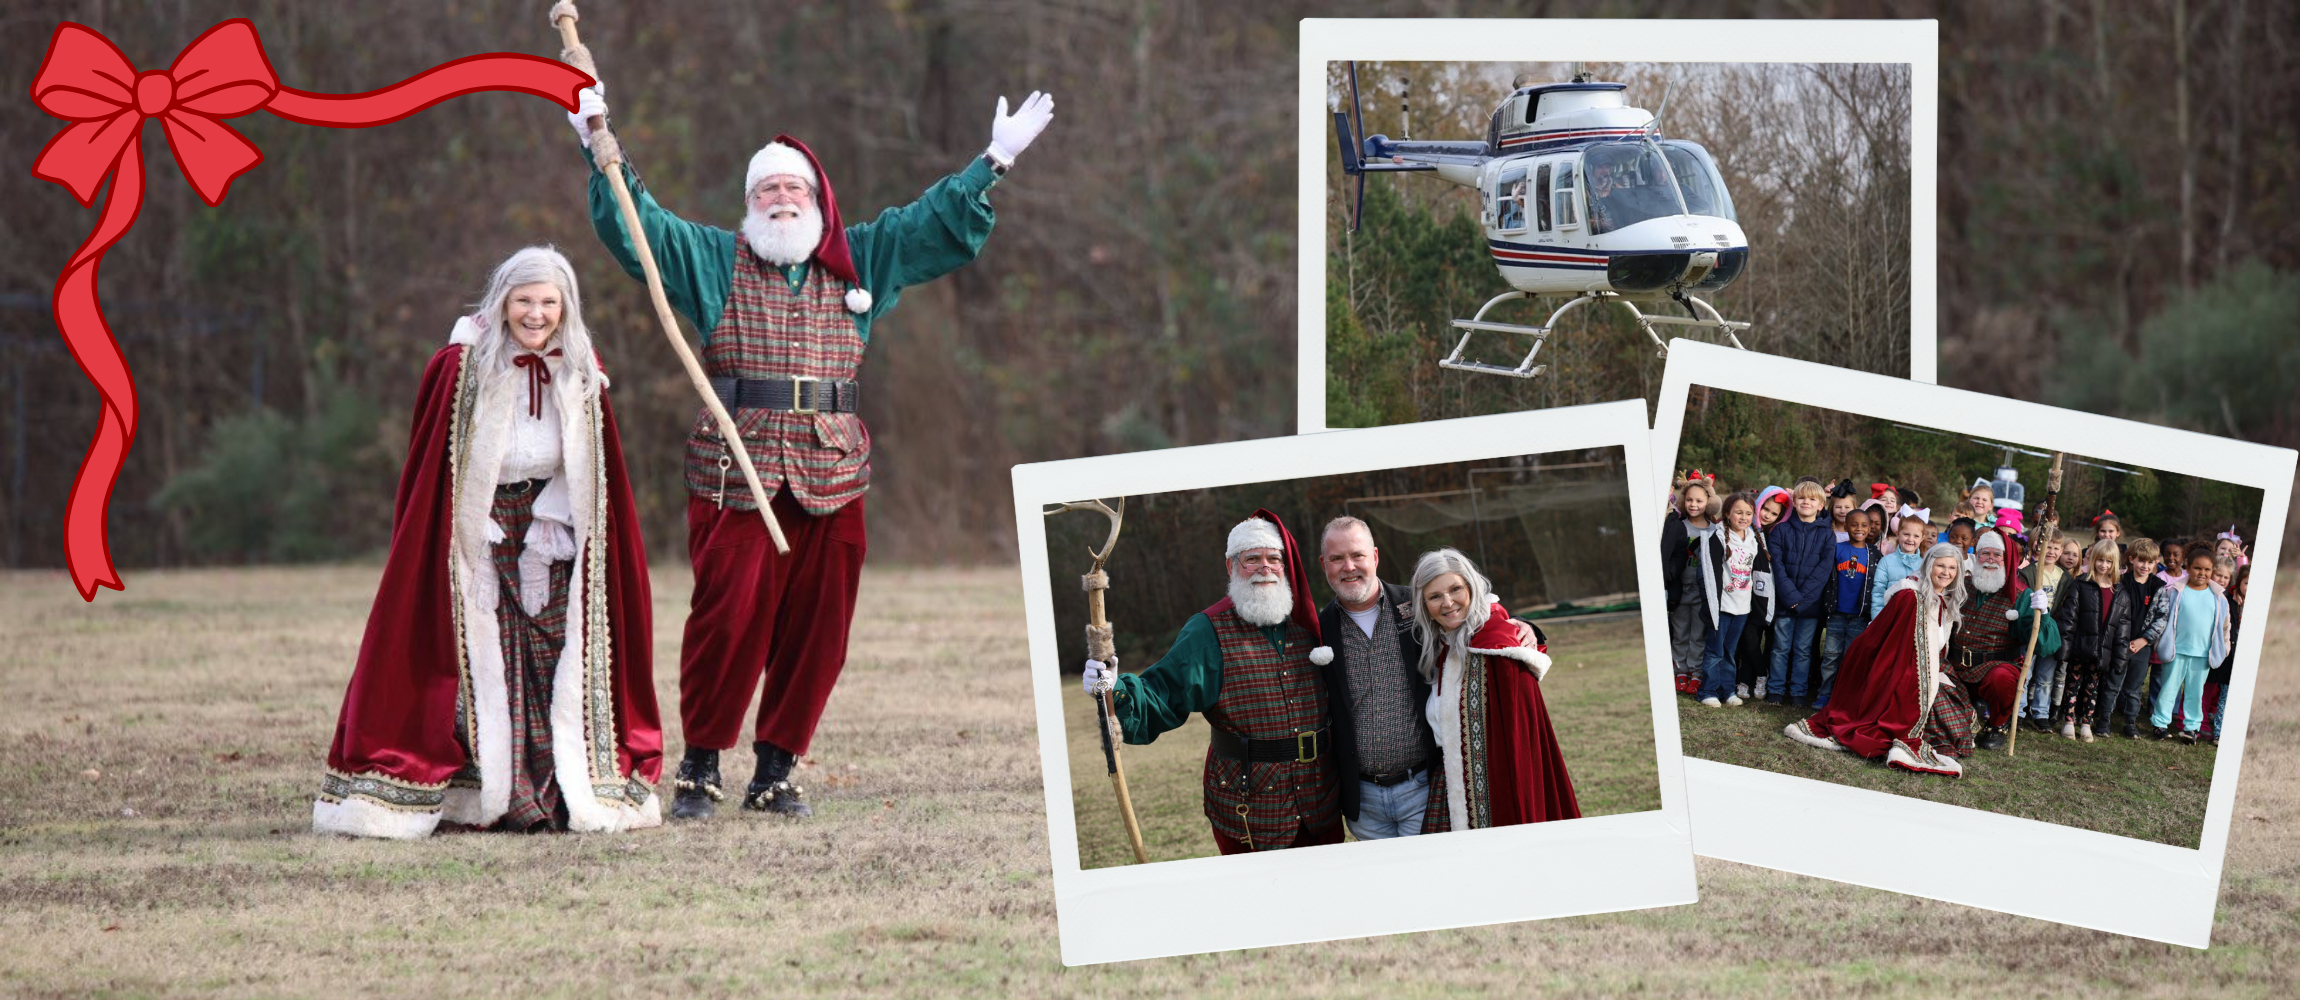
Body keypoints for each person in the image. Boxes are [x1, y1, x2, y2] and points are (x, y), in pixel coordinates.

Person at [566, 85, 1056, 820]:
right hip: (738, 465)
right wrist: (600, 142)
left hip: (833, 469)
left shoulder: (860, 256)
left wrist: (994, 159)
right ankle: (701, 767)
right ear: (749, 202)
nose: (781, 199)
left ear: (817, 198)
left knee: (820, 628)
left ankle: (775, 771)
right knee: (725, 620)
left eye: (793, 187)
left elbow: (931, 223)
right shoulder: (712, 258)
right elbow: (643, 227)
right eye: (767, 189)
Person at [313, 248, 661, 839]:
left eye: (548, 302)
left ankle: (553, 796)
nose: (535, 314)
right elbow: (437, 466)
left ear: (564, 307)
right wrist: (469, 527)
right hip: (480, 523)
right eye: (524, 300)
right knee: (487, 655)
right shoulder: (462, 366)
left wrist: (549, 526)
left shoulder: (579, 369)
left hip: (552, 530)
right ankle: (486, 795)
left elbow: (589, 468)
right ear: (502, 301)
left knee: (554, 652)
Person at [1085, 512, 1341, 853]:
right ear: (1231, 566)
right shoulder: (1208, 630)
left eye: (1273, 559)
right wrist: (1114, 687)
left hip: (1319, 802)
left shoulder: (1309, 626)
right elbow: (1162, 694)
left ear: (1285, 566)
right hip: (1250, 809)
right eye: (1252, 559)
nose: (1265, 568)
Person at [1408, 548, 1580, 830]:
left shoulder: (1499, 648)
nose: (1448, 602)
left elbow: (1520, 747)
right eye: (1435, 596)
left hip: (1496, 790)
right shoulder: (1439, 644)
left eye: (1455, 589)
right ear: (1423, 604)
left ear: (1472, 588)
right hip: (1449, 787)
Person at [1785, 544, 1968, 776]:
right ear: (1929, 565)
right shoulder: (1910, 595)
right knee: (1937, 710)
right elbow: (1894, 646)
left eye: (1952, 568)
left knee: (1959, 717)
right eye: (1940, 565)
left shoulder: (1946, 599)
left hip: (1930, 669)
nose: (1946, 572)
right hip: (1900, 671)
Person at [1313, 516, 1439, 840]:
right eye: (1337, 558)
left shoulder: (1418, 606)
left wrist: (1525, 627)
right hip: (1363, 801)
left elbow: (1469, 612)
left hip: (1423, 787)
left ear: (1375, 557)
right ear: (1323, 564)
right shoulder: (1317, 629)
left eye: (1357, 555)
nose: (1349, 566)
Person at [1942, 527, 2058, 752]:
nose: (1990, 560)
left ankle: (1997, 724)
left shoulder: (2021, 594)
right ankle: (1967, 712)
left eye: (1997, 554)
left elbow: (2045, 645)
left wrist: (2043, 616)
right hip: (1956, 664)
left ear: (2008, 559)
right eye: (1985, 553)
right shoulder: (1962, 584)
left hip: (1994, 666)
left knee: (2002, 679)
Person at [2145, 550, 2231, 744]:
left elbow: (2225, 626)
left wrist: (2223, 647)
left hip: (2202, 654)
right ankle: (2160, 724)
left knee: (2195, 692)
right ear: (2188, 568)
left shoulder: (2218, 597)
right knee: (2169, 688)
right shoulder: (2175, 591)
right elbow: (2165, 618)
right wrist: (2161, 643)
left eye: (2207, 569)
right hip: (2177, 650)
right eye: (2197, 568)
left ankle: (2191, 728)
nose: (2202, 573)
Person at [1764, 480, 1834, 707]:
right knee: (1780, 648)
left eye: (1812, 499)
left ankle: (1798, 692)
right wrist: (1792, 598)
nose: (1806, 502)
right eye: (1802, 498)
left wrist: (1803, 600)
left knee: (1803, 651)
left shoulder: (1827, 535)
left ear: (1821, 505)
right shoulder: (1780, 531)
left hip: (1810, 606)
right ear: (1793, 502)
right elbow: (1778, 566)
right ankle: (1775, 689)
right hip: (1785, 602)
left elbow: (1823, 571)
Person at [1696, 492, 1766, 707]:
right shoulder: (1716, 537)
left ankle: (1727, 691)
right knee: (1715, 650)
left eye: (1748, 513)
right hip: (1722, 605)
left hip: (1742, 607)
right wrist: (1712, 605)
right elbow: (1708, 573)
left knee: (1730, 651)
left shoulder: (1755, 539)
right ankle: (1707, 691)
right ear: (1727, 513)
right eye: (1738, 512)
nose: (1743, 517)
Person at [2058, 541, 2131, 742]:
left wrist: (2120, 657)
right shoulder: (2081, 584)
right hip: (2080, 647)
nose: (2104, 565)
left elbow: (2123, 629)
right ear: (2092, 559)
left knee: (2092, 687)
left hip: (2102, 651)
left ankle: (2086, 723)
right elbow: (2069, 618)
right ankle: (2069, 721)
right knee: (2073, 684)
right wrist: (2065, 649)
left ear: (2115, 563)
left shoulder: (2120, 592)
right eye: (2100, 560)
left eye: (2109, 561)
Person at [2099, 537, 2168, 738]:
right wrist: (2121, 639)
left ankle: (2130, 722)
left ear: (2156, 562)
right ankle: (2104, 720)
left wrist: (2144, 640)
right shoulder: (2120, 582)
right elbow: (2112, 611)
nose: (2144, 566)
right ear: (2131, 560)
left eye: (2149, 562)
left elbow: (2162, 617)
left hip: (2142, 647)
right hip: (2119, 643)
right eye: (2140, 561)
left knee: (2134, 688)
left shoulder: (2158, 587)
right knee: (2112, 683)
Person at [1661, 473, 1719, 693]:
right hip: (1679, 591)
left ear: (1708, 503)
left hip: (1701, 593)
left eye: (1699, 500)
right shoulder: (1677, 527)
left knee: (1698, 634)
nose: (1694, 504)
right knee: (1680, 633)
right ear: (1683, 500)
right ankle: (1680, 672)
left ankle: (1696, 674)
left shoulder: (1714, 530)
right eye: (1690, 500)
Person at [1815, 507, 1875, 710]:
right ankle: (1824, 694)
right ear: (1845, 526)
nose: (1859, 529)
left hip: (1859, 615)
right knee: (1831, 655)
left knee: (1850, 657)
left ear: (1870, 528)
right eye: (1854, 524)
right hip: (1836, 613)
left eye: (1864, 525)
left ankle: (1843, 697)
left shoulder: (1873, 554)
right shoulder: (1837, 548)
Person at [2205, 564, 2249, 744]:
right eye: (2247, 583)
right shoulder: (2229, 600)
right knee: (2222, 693)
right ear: (2238, 583)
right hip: (2227, 656)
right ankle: (2218, 732)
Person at [1870, 514, 1930, 626]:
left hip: (1913, 622)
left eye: (1916, 536)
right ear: (1898, 534)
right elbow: (1878, 592)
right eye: (1906, 534)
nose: (1910, 539)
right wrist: (1877, 620)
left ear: (1922, 539)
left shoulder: (1924, 565)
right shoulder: (1886, 562)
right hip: (1888, 619)